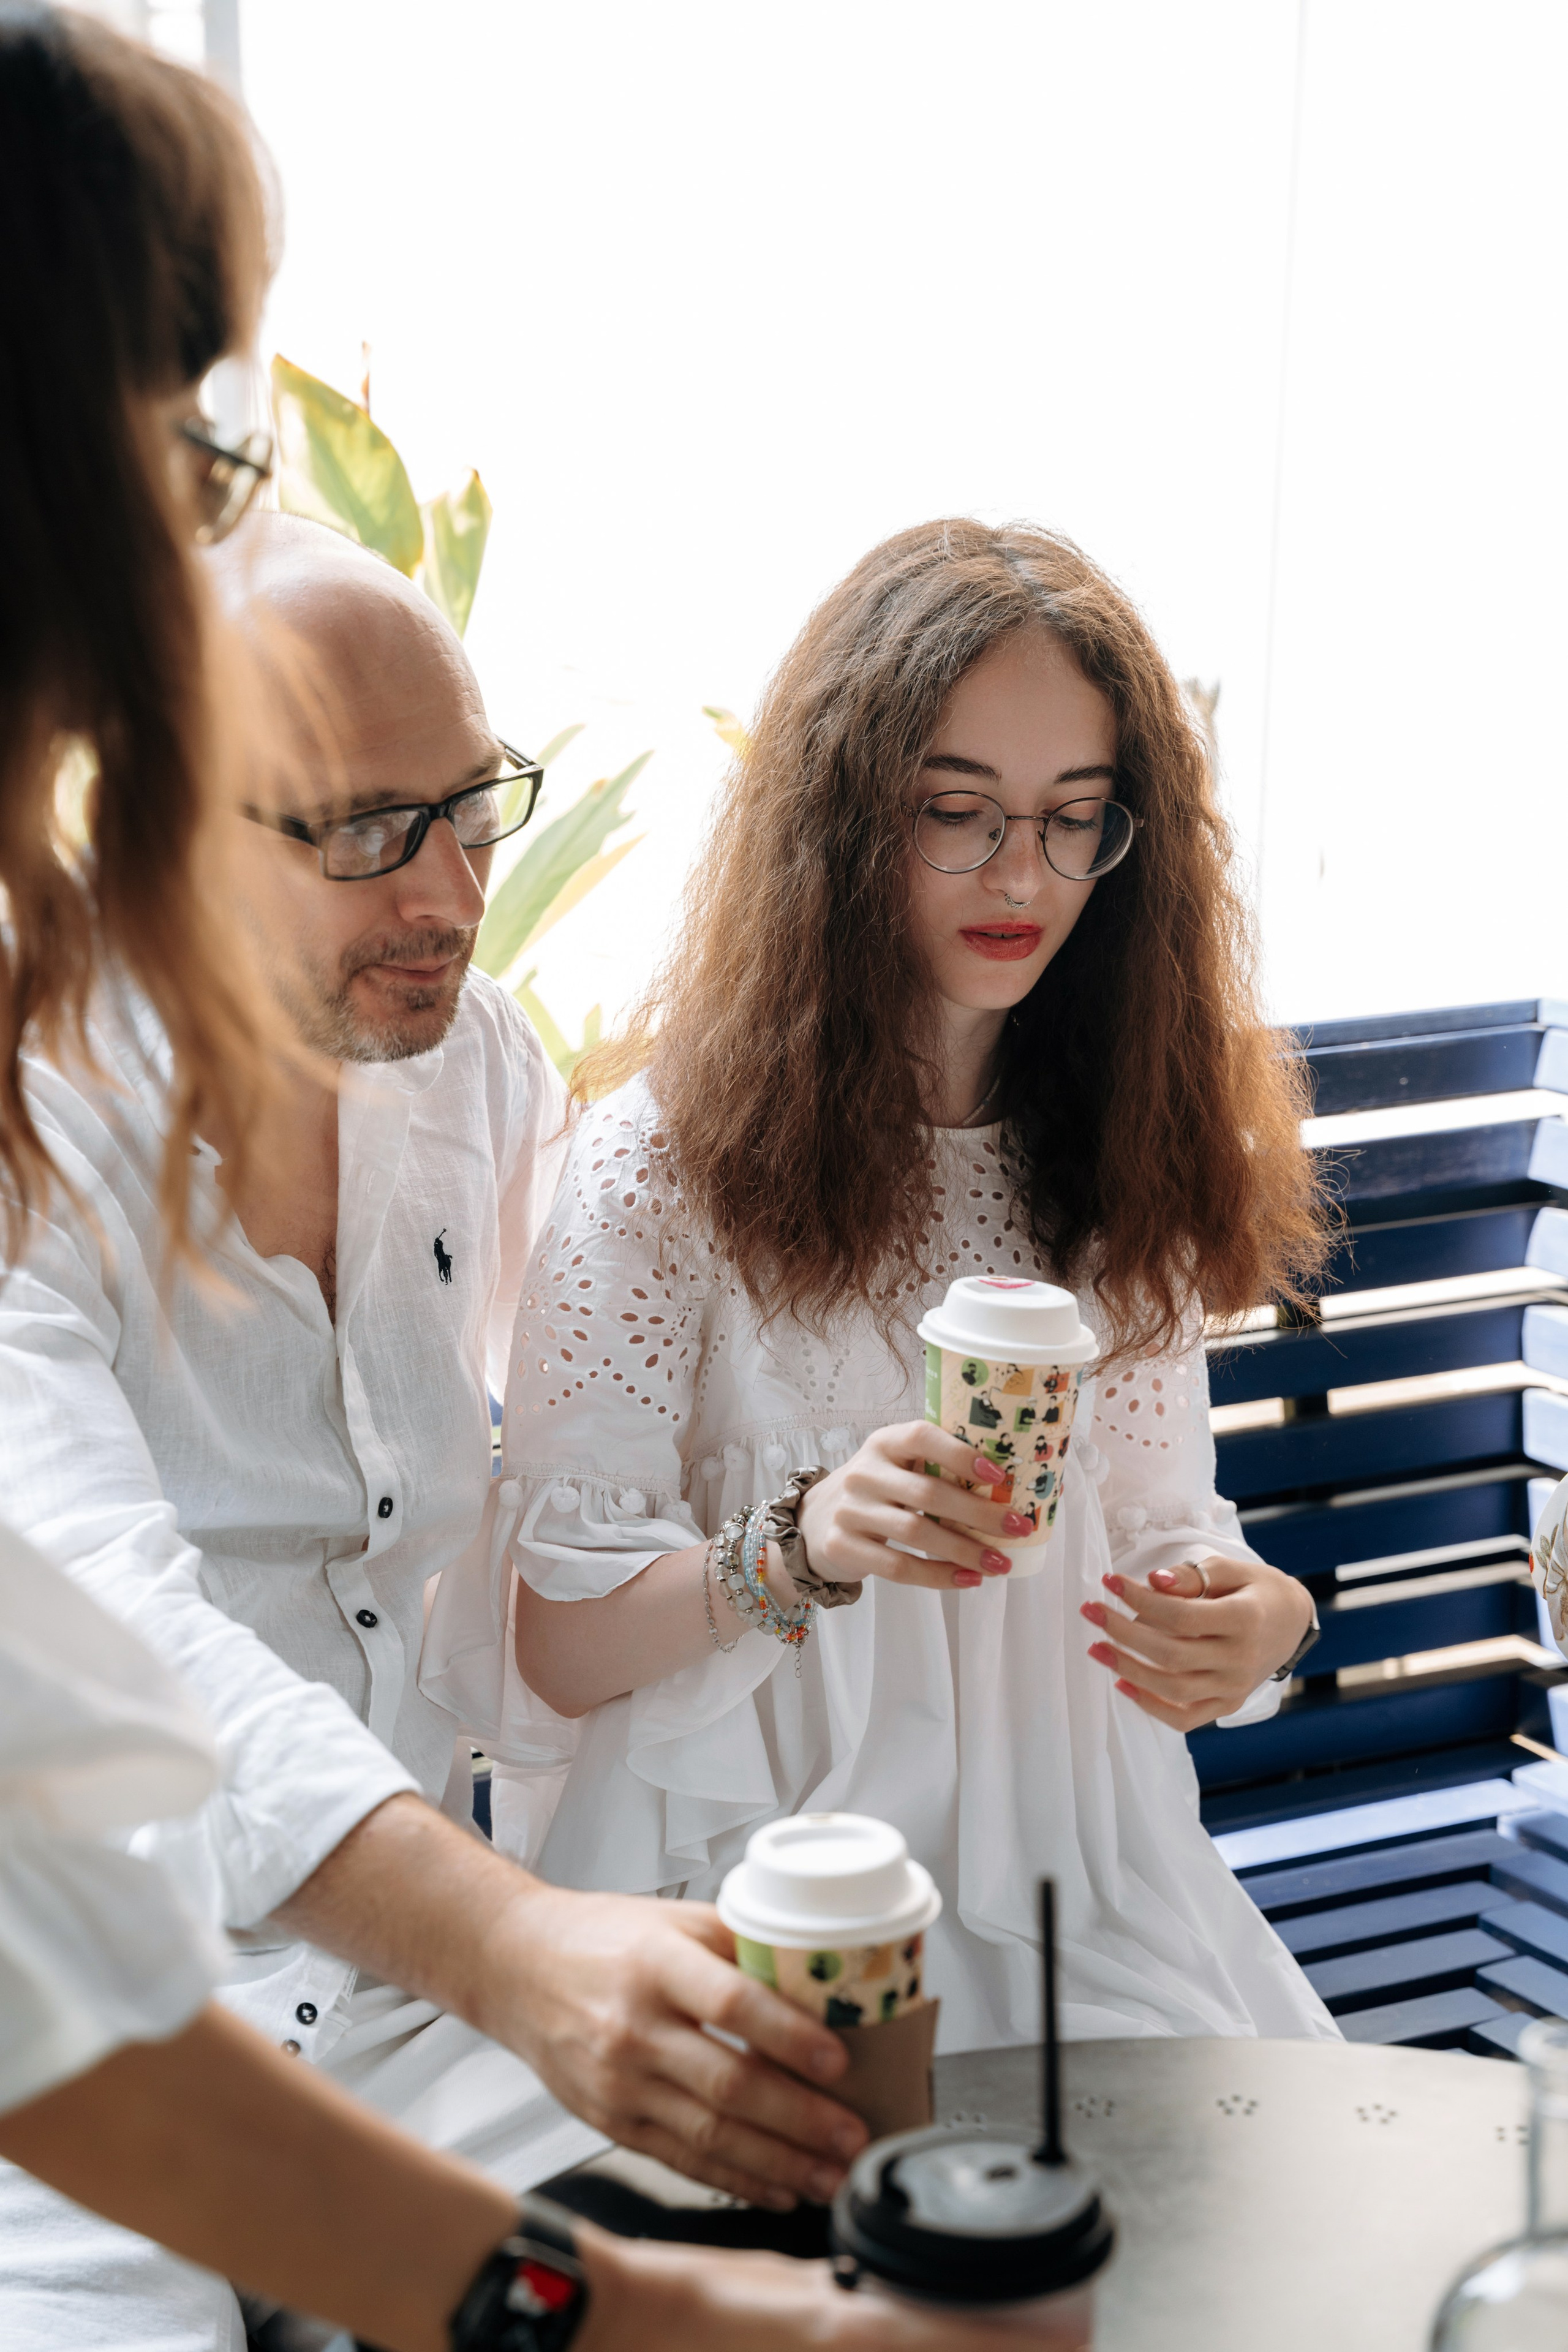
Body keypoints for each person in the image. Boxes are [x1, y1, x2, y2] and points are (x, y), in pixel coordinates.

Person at [0, 13, 1033, 2350]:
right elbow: (88, 1696)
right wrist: (531, 1946)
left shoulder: (483, 1085)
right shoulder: (33, 1088)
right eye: (172, 443)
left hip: (374, 2020)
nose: (451, 890)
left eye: (475, 810)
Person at [435, 518, 1341, 2049]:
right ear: (844, 819)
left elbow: (1167, 1547)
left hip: (1079, 1888)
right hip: (753, 1890)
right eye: (957, 811)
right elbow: (555, 1648)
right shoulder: (664, 1165)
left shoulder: (1122, 1154)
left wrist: (1261, 1622)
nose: (1023, 875)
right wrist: (799, 1543)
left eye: (1074, 817)